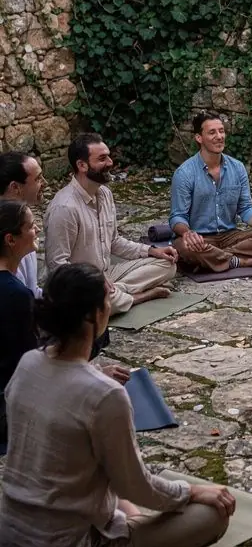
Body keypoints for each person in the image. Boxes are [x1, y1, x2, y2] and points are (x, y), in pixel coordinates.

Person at [0, 263, 235, 547]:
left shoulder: (29, 363)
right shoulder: (104, 393)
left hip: (12, 541)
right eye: (107, 302)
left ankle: (129, 521)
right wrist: (194, 491)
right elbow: (135, 487)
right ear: (94, 316)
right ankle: (130, 528)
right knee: (213, 515)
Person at [44, 134, 178, 315]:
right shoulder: (64, 208)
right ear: (82, 165)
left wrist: (152, 251)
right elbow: (58, 266)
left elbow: (114, 241)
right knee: (89, 303)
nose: (110, 162)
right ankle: (137, 296)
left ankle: (115, 293)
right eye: (102, 159)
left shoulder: (105, 194)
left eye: (108, 156)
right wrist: (92, 281)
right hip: (80, 284)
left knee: (167, 264)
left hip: (108, 274)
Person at [170, 111, 252, 272]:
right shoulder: (185, 173)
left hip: (231, 237)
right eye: (212, 132)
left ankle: (217, 260)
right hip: (201, 238)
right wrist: (188, 233)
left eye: (221, 131)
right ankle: (243, 262)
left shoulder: (237, 168)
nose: (219, 136)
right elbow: (177, 216)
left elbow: (245, 208)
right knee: (185, 247)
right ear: (199, 138)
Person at [0, 202, 38, 449]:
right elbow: (31, 366)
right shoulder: (16, 295)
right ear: (11, 240)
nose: (37, 231)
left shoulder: (16, 289)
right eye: (32, 227)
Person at [0, 150, 45, 296]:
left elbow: (32, 290)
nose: (44, 183)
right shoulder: (12, 229)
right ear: (15, 187)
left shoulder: (23, 222)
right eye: (38, 179)